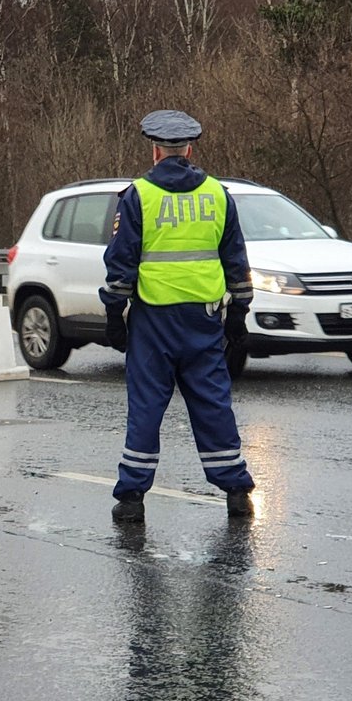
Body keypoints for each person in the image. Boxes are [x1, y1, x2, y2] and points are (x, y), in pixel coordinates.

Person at [100, 109, 256, 523]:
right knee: (212, 404)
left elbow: (121, 263)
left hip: (153, 322)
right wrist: (239, 313)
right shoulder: (219, 195)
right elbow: (236, 260)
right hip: (204, 322)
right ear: (188, 149)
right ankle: (237, 489)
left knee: (148, 406)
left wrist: (114, 312)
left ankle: (132, 498)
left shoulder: (138, 196)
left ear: (155, 151)